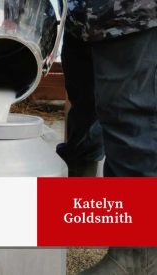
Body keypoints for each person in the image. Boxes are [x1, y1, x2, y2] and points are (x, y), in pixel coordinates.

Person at [57, 0, 157, 273]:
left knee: (129, 118)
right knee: (85, 103)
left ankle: (139, 254)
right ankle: (84, 201)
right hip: (84, 16)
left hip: (132, 14)